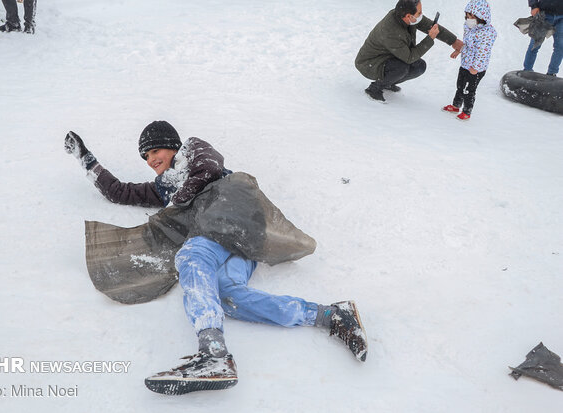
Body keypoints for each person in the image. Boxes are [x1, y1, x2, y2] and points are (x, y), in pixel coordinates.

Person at [64, 121, 368, 395]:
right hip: (241, 241)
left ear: (172, 145)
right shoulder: (163, 188)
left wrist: (179, 202)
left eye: (154, 150)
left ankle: (213, 355)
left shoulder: (193, 150)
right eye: (145, 157)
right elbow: (121, 193)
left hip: (234, 217)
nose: (151, 160)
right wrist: (86, 160)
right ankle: (331, 315)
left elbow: (210, 167)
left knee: (191, 259)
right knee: (228, 296)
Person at [355, 0, 464, 102]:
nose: (421, 15)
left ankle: (388, 82)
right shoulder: (390, 31)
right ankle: (374, 89)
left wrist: (453, 41)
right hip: (370, 63)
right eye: (419, 12)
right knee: (402, 68)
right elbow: (409, 58)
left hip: (390, 55)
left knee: (419, 66)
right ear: (408, 16)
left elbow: (429, 25)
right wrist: (430, 39)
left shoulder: (407, 16)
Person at [442, 0, 497, 121]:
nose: (468, 19)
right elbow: (467, 44)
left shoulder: (486, 34)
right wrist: (459, 50)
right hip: (465, 64)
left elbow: (483, 53)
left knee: (469, 90)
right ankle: (456, 105)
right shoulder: (468, 27)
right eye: (467, 16)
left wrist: (475, 68)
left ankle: (467, 111)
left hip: (476, 69)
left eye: (472, 16)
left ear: (482, 17)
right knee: (460, 85)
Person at [523, 0, 563, 76]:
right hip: (544, 14)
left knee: (560, 47)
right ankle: (527, 70)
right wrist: (534, 6)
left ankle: (552, 73)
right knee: (535, 45)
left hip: (561, 17)